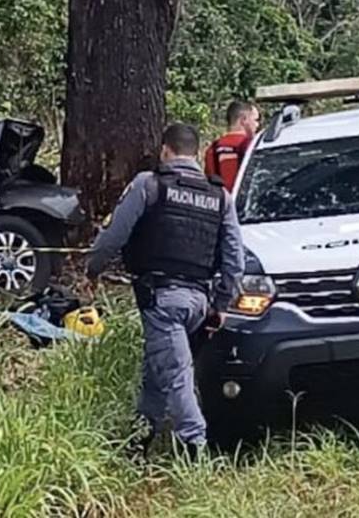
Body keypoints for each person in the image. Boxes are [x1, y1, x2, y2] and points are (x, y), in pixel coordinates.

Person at [86, 123, 244, 458]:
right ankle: (140, 440)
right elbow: (235, 261)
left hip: (162, 299)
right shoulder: (221, 196)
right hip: (200, 302)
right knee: (158, 368)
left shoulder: (149, 184)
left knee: (175, 372)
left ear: (165, 151)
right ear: (197, 154)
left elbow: (113, 236)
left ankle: (195, 447)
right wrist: (221, 304)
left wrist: (92, 270)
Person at [204, 101, 260, 190]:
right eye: (256, 120)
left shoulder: (212, 149)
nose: (257, 125)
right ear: (243, 120)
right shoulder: (253, 146)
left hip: (219, 201)